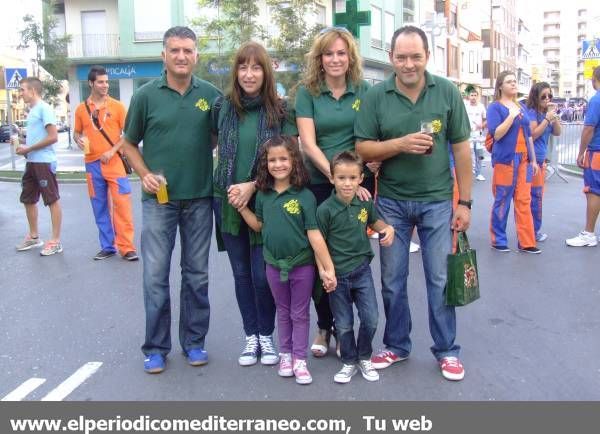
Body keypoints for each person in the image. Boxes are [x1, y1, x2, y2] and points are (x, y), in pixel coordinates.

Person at [355, 25, 472, 381]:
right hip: (390, 202)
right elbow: (363, 148)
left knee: (438, 278)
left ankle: (447, 350)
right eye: (402, 57)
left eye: (415, 57)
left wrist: (464, 202)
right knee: (392, 279)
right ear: (391, 58)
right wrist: (400, 144)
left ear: (427, 57)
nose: (409, 64)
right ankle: (397, 345)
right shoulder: (377, 96)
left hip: (437, 201)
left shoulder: (447, 92)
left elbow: (462, 149)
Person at [120, 26, 222, 374]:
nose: (181, 56)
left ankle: (194, 342)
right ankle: (156, 348)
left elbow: (216, 138)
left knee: (197, 276)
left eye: (188, 50)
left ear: (196, 55)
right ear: (163, 54)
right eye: (175, 50)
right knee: (155, 277)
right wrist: (144, 173)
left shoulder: (211, 95)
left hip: (199, 200)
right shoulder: (146, 96)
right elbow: (129, 143)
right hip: (158, 201)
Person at [212, 41, 297, 367]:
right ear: (236, 71)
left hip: (267, 203)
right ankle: (251, 337)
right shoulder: (222, 107)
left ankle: (266, 333)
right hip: (228, 201)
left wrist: (253, 185)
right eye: (243, 67)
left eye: (256, 67)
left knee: (264, 275)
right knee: (241, 274)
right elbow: (208, 143)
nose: (249, 74)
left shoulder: (280, 110)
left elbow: (289, 159)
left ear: (266, 71)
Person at [295, 26, 376, 358]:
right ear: (320, 58)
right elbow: (307, 143)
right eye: (329, 53)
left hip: (356, 184)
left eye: (341, 53)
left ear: (350, 57)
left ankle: (348, 327)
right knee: (320, 258)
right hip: (320, 182)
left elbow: (372, 136)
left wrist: (355, 178)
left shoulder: (365, 91)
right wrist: (334, 175)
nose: (335, 59)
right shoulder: (307, 92)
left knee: (351, 255)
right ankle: (325, 326)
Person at [238, 136, 337, 385]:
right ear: (265, 164)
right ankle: (285, 355)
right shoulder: (262, 195)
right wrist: (241, 208)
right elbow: (259, 227)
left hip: (302, 266)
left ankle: (300, 359)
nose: (278, 164)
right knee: (282, 312)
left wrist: (327, 269)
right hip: (273, 265)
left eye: (283, 158)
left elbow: (314, 235)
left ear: (294, 161)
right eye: (272, 160)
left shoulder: (305, 196)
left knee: (300, 313)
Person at [316, 151, 394, 384]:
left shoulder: (364, 202)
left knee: (371, 318)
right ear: (332, 179)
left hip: (362, 272)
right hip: (337, 276)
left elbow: (374, 221)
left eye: (352, 178)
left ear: (361, 178)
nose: (347, 183)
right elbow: (318, 245)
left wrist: (387, 228)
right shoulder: (325, 210)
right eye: (341, 178)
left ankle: (364, 356)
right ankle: (349, 361)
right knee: (343, 323)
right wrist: (324, 272)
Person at [73, 65, 138, 261]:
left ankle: (127, 247)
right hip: (92, 164)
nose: (105, 85)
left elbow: (128, 135)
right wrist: (78, 140)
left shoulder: (118, 107)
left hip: (115, 163)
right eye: (101, 82)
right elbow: (76, 132)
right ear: (91, 83)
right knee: (99, 206)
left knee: (122, 205)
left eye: (107, 82)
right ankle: (107, 246)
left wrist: (112, 151)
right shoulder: (81, 109)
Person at [487, 71, 540, 254]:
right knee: (502, 200)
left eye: (515, 81)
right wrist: (510, 116)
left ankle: (527, 241)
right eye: (509, 81)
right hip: (505, 161)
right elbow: (497, 134)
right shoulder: (495, 107)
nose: (513, 84)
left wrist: (533, 160)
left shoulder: (521, 108)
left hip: (524, 159)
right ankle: (498, 239)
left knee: (524, 200)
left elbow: (529, 136)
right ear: (500, 86)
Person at [15, 77, 63, 256]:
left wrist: (30, 148)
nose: (20, 94)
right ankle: (34, 237)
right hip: (32, 162)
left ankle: (56, 241)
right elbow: (37, 137)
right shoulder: (32, 110)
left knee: (52, 200)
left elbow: (53, 137)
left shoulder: (45, 108)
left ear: (32, 91)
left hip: (44, 161)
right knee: (27, 199)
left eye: (22, 90)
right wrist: (24, 147)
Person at [566, 66, 600, 247]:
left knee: (594, 191)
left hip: (597, 152)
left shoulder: (596, 100)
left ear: (595, 79)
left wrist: (581, 153)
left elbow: (588, 129)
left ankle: (589, 233)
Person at [524, 82, 561, 243]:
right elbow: (533, 134)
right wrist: (547, 119)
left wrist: (554, 116)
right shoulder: (531, 113)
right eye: (543, 96)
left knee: (537, 198)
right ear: (536, 97)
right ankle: (530, 231)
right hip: (530, 161)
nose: (547, 99)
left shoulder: (548, 113)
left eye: (550, 96)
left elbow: (558, 132)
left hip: (541, 162)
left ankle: (534, 230)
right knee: (530, 198)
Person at [464, 86, 487, 181]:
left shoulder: (481, 106)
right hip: (468, 134)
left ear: (477, 97)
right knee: (469, 155)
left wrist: (481, 125)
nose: (473, 97)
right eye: (471, 95)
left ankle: (479, 173)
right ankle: (470, 172)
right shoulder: (465, 107)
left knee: (480, 155)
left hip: (479, 135)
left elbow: (486, 120)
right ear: (468, 96)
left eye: (475, 95)